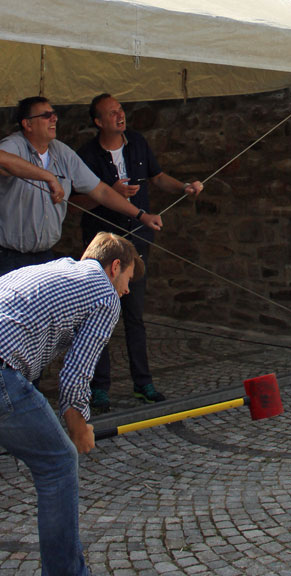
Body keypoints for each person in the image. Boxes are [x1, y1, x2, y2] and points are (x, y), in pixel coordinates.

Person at [0, 231, 144, 576]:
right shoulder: (104, 292)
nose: (127, 290)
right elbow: (77, 372)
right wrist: (79, 427)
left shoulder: (53, 268)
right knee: (59, 462)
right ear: (115, 267)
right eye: (128, 279)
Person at [76, 93, 203, 411]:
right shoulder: (86, 154)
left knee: (134, 314)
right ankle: (99, 387)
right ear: (98, 122)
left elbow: (157, 177)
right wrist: (109, 193)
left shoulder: (137, 142)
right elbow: (75, 202)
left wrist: (183, 187)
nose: (120, 116)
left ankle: (143, 383)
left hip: (137, 240)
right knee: (100, 314)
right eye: (112, 113)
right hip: (102, 244)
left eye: (120, 110)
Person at [0, 95, 163, 283]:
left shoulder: (63, 152)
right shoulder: (15, 144)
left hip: (42, 256)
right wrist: (48, 176)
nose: (54, 119)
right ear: (28, 124)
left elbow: (101, 191)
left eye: (54, 114)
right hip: (3, 256)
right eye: (46, 115)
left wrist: (141, 215)